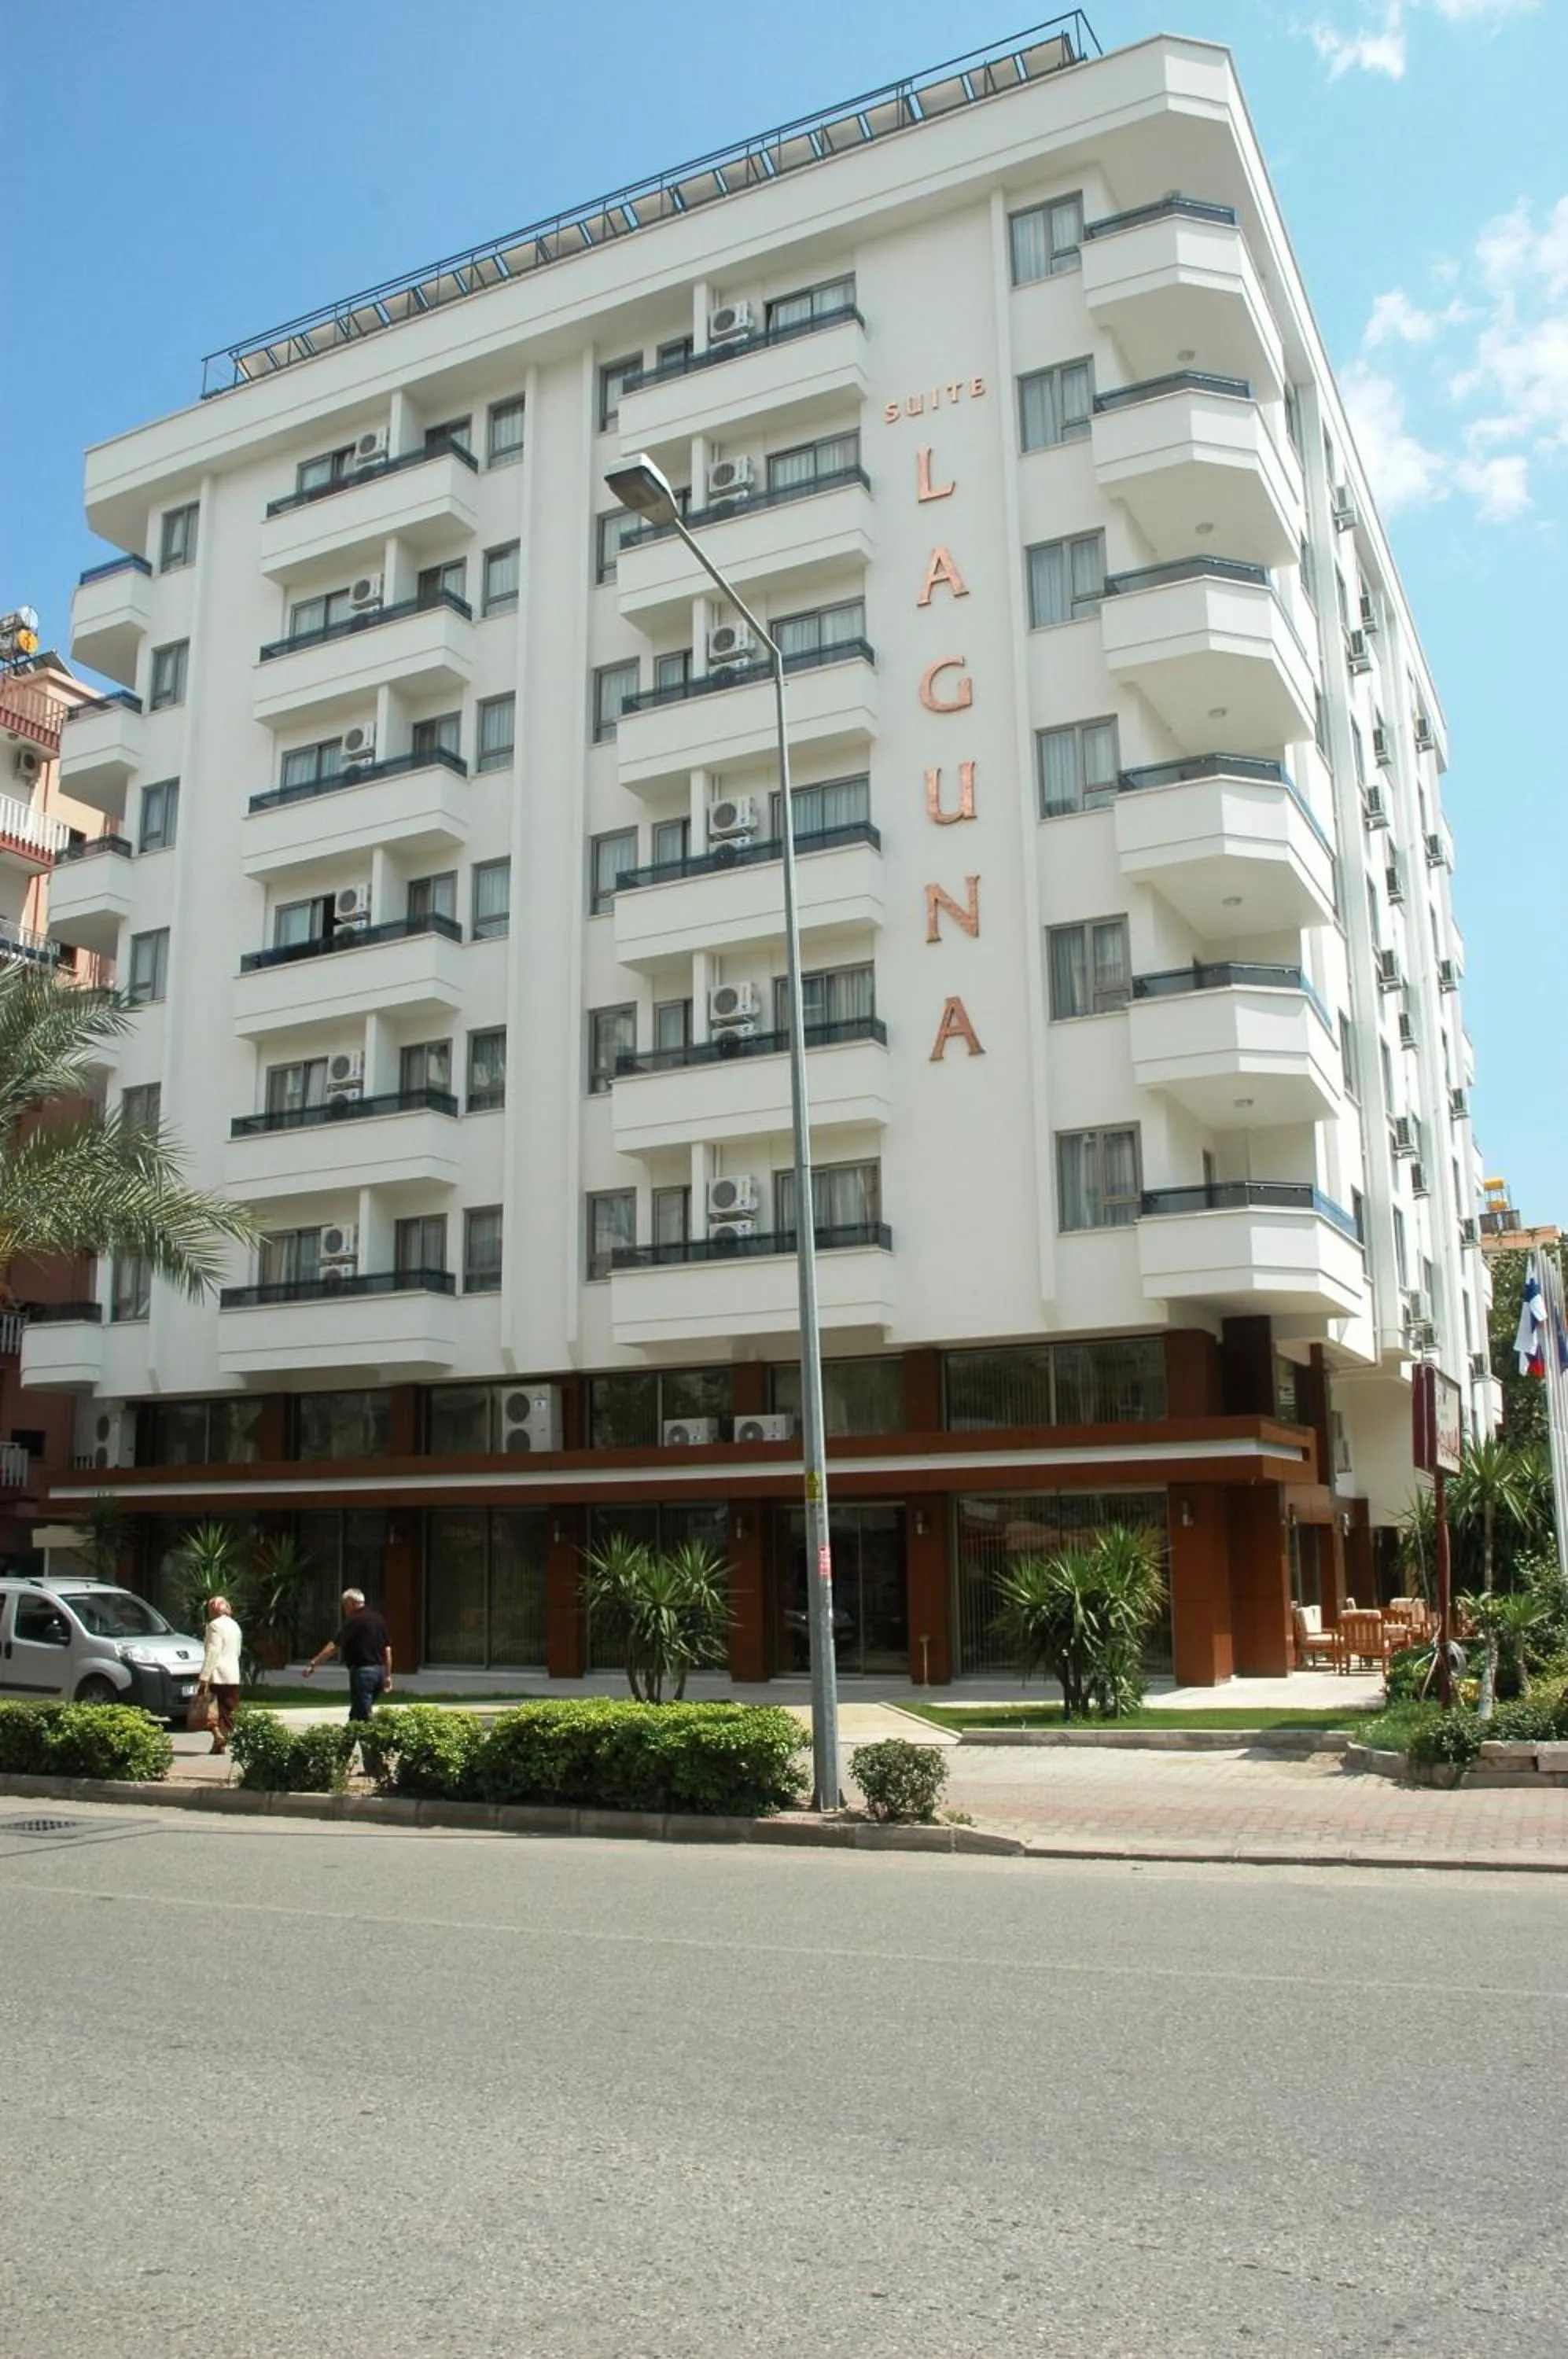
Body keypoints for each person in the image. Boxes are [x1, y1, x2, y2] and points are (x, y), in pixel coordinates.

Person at [301, 1588, 394, 1721]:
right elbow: (387, 1650)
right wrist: (388, 1675)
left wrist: (313, 1664)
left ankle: (375, 1740)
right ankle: (347, 1742)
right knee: (357, 1711)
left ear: (351, 1603)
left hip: (363, 1673)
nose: (344, 1610)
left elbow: (334, 1647)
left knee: (363, 1715)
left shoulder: (354, 1620)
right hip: (378, 1672)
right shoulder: (378, 1619)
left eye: (344, 1605)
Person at [198, 1594, 242, 1754]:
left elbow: (213, 1652)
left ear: (213, 1609)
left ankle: (218, 1736)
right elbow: (237, 1651)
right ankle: (220, 1742)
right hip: (233, 1673)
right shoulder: (235, 1626)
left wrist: (204, 1676)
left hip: (217, 1674)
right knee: (228, 1710)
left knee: (210, 1709)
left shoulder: (214, 1626)